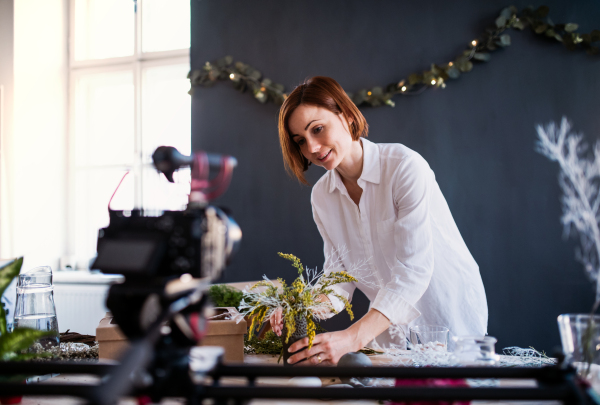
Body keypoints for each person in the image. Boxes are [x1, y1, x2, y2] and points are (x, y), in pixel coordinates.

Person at [271, 76, 488, 365]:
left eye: (318, 129)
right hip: (389, 331)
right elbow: (340, 280)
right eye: (300, 140)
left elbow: (413, 271)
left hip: (448, 317)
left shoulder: (404, 167)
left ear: (347, 116)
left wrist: (352, 337)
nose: (311, 147)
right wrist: (301, 306)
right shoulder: (322, 197)